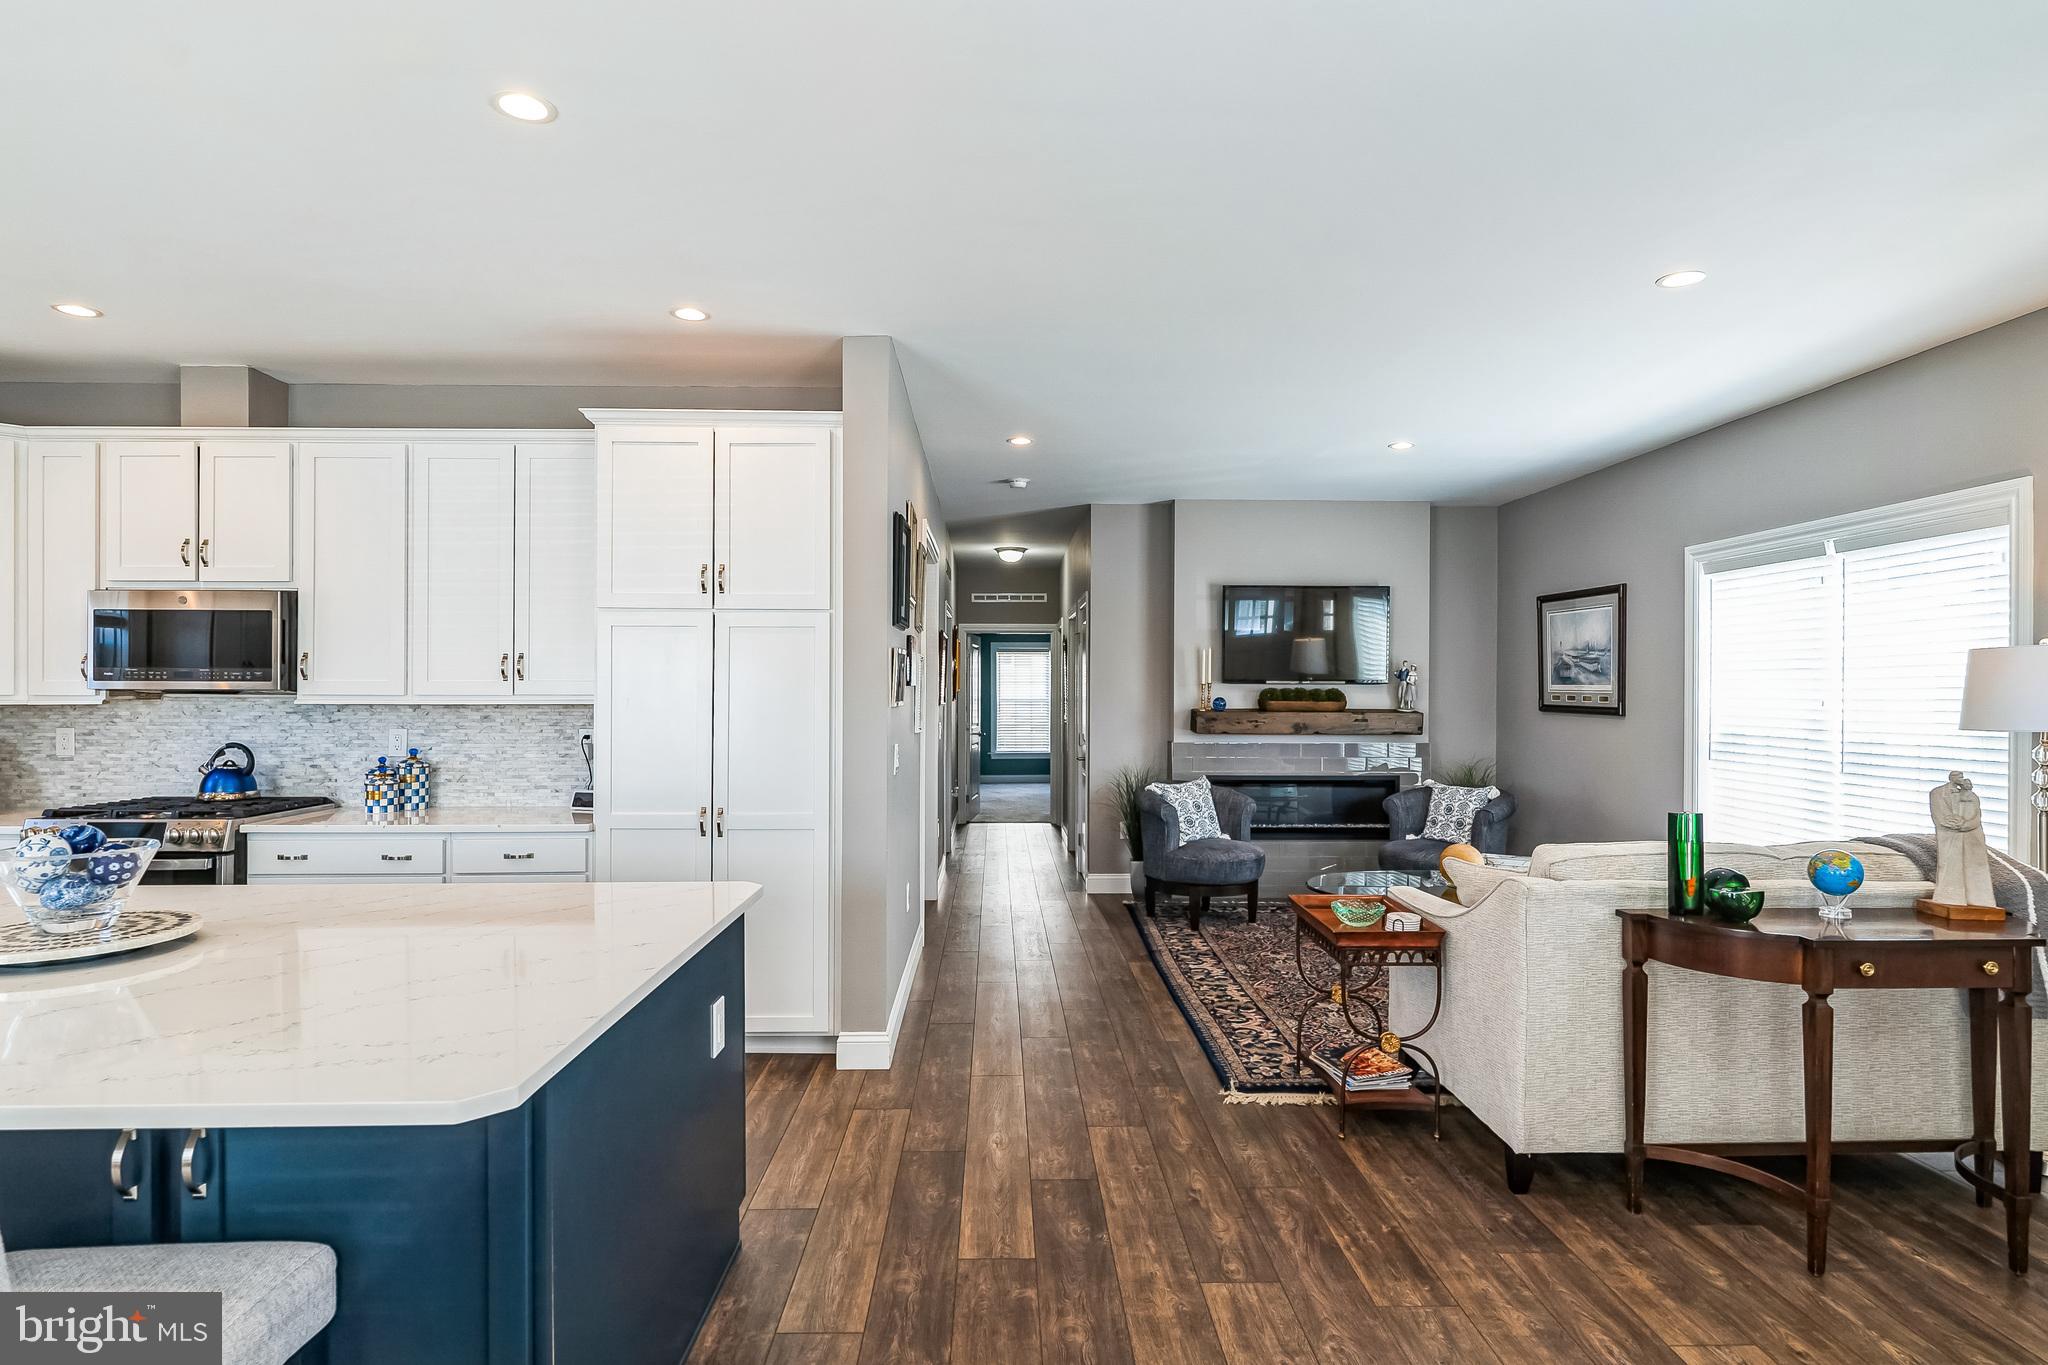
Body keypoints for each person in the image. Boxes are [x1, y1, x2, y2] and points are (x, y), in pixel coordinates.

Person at [1930, 770, 1996, 908]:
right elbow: (1939, 815)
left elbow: (1976, 817)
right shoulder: (1937, 793)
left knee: (1975, 867)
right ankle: (1950, 896)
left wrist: (1965, 825)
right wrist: (1951, 823)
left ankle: (1978, 898)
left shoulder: (1972, 798)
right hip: (1949, 836)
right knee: (1950, 866)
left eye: (1962, 778)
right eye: (1958, 777)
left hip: (1971, 836)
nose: (1962, 780)